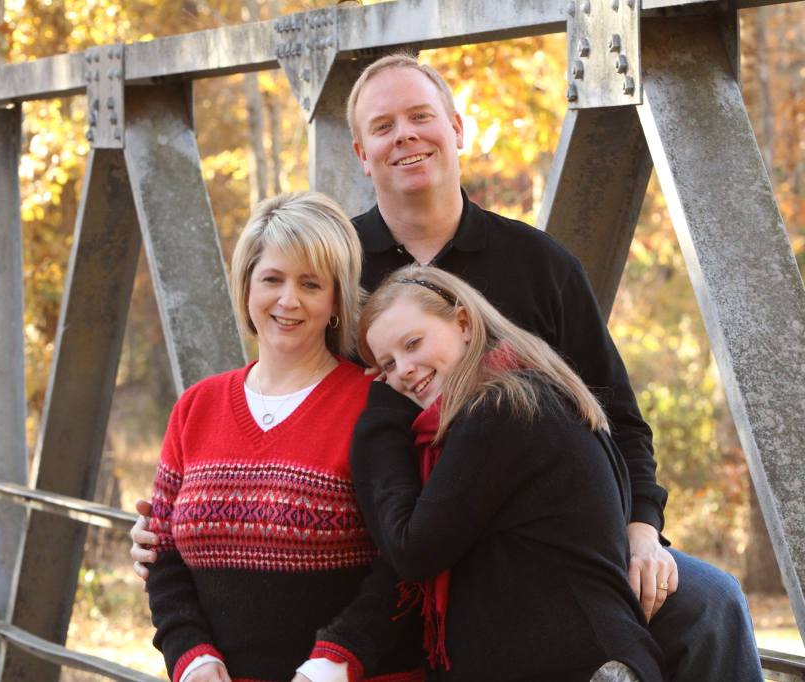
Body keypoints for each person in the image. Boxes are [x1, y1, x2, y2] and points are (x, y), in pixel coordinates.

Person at [135, 53, 761, 681]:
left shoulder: (539, 265)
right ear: (360, 151)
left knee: (711, 603)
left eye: (420, 117)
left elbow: (618, 420)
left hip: (546, 544)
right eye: (383, 126)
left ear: (456, 129)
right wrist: (185, 530)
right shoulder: (338, 268)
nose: (404, 135)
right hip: (414, 541)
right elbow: (289, 387)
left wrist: (642, 530)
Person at [143, 191, 424, 682]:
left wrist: (335, 660)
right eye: (272, 279)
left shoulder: (374, 407)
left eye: (310, 284)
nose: (288, 300)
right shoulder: (196, 407)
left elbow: (405, 564)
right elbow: (162, 555)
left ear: (335, 298)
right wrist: (192, 657)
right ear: (246, 286)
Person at [347, 265, 665, 681]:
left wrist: (380, 415)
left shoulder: (501, 411)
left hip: (578, 668)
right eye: (387, 366)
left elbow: (413, 549)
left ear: (463, 322)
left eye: (413, 343)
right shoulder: (526, 392)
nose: (402, 371)